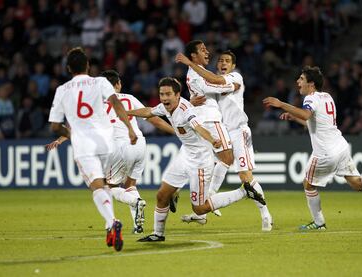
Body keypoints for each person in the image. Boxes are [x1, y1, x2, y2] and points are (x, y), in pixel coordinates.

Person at [263, 66, 362, 230]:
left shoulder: (310, 98)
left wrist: (281, 104)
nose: (298, 82)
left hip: (325, 153)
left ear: (311, 84)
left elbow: (306, 115)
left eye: (301, 79)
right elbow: (313, 123)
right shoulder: (327, 96)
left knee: (308, 184)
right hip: (341, 147)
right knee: (357, 184)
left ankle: (319, 224)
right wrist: (293, 117)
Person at [127, 77, 266, 241]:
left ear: (177, 95)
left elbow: (199, 127)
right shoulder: (165, 107)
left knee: (200, 208)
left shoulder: (186, 110)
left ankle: (244, 192)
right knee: (162, 195)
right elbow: (149, 111)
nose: (164, 98)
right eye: (161, 94)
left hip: (200, 160)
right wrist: (127, 112)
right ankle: (158, 234)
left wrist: (212, 140)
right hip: (185, 154)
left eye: (168, 94)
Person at [46, 69, 175, 234]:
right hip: (140, 144)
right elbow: (154, 119)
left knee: (109, 186)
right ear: (118, 84)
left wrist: (60, 139)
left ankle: (136, 202)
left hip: (119, 147)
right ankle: (138, 226)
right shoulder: (130, 98)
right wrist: (176, 132)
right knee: (130, 184)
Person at [48, 47, 137, 251]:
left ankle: (112, 221)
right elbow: (116, 104)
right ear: (88, 65)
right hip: (107, 142)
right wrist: (130, 129)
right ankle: (109, 226)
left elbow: (54, 125)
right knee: (105, 185)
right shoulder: (101, 82)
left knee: (97, 187)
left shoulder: (62, 90)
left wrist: (73, 134)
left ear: (68, 68)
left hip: (85, 145)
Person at [175, 50, 273, 231]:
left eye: (227, 61)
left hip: (238, 131)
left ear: (233, 66)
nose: (223, 63)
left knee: (245, 177)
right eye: (220, 60)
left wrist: (190, 63)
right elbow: (204, 94)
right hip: (221, 131)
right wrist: (191, 101)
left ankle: (265, 214)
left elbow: (215, 81)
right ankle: (202, 211)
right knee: (208, 163)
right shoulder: (212, 85)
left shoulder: (235, 78)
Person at [176, 40, 239, 223]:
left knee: (205, 164)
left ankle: (199, 212)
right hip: (210, 120)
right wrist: (231, 86)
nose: (207, 52)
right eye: (202, 50)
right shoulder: (195, 72)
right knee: (227, 158)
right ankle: (209, 198)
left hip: (202, 121)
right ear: (193, 56)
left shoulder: (195, 72)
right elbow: (213, 85)